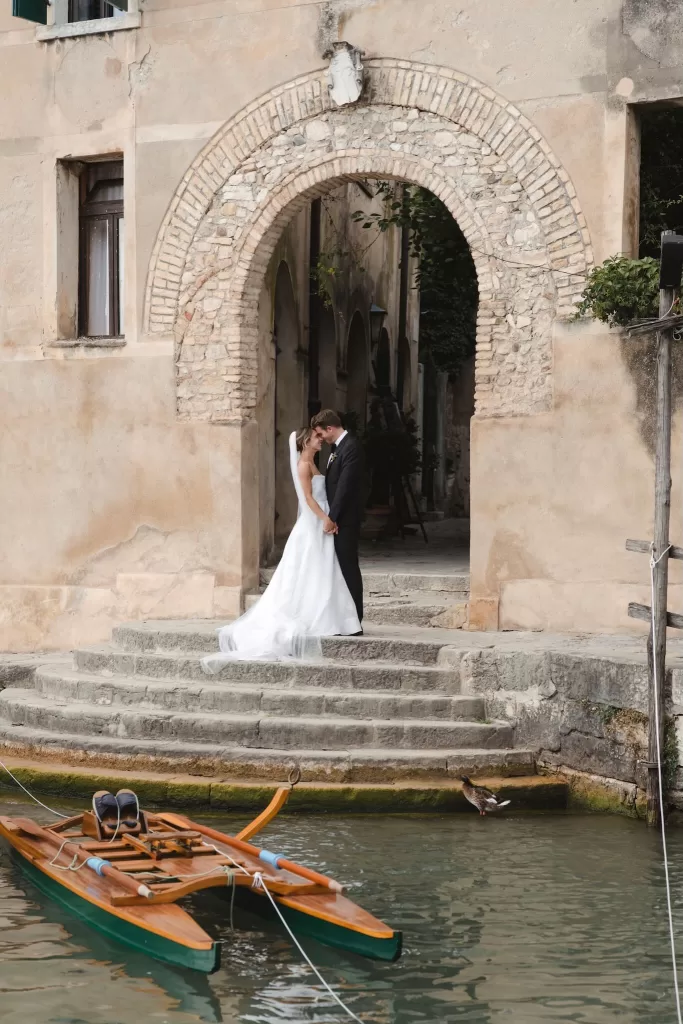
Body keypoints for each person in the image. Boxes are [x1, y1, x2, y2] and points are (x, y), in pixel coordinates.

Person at [202, 427, 360, 668]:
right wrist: (325, 519)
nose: (321, 440)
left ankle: (330, 613)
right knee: (312, 568)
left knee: (321, 570)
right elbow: (308, 498)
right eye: (317, 437)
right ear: (306, 441)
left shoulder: (313, 462)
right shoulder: (304, 466)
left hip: (320, 521)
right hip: (315, 523)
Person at [311, 409, 364, 628]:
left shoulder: (351, 447)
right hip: (339, 517)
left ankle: (355, 618)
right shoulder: (338, 448)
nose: (320, 439)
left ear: (329, 428)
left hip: (346, 519)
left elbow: (345, 486)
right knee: (340, 566)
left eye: (321, 434)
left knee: (348, 565)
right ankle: (345, 617)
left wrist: (332, 517)